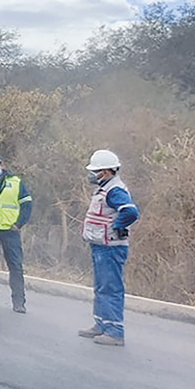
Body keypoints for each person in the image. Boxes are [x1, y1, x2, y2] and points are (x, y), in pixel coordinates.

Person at [77, 149, 139, 347]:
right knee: (101, 287)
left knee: (111, 288)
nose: (92, 174)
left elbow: (130, 212)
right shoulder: (105, 189)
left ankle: (114, 331)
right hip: (101, 246)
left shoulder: (115, 191)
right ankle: (101, 324)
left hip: (111, 247)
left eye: (95, 170)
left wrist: (116, 227)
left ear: (106, 171)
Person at [0, 155, 33, 313]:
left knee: (15, 266)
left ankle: (19, 302)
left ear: (2, 165)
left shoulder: (16, 182)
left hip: (10, 231)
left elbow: (27, 204)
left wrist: (19, 224)